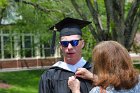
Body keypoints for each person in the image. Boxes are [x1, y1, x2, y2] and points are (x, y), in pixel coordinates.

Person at [39, 17, 93, 93]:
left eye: (74, 42)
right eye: (65, 43)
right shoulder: (50, 76)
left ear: (82, 43)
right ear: (60, 46)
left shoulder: (94, 72)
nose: (69, 47)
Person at [68, 41, 140, 93]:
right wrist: (93, 77)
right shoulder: (138, 82)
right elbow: (116, 81)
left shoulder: (98, 91)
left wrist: (75, 90)